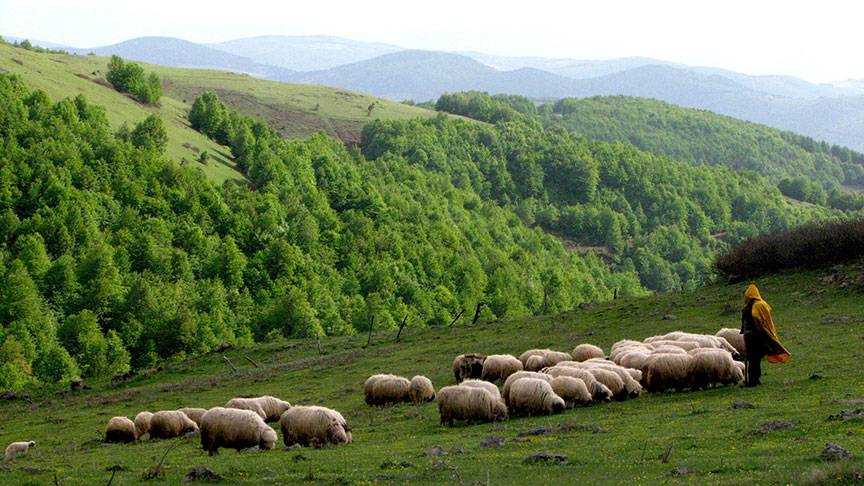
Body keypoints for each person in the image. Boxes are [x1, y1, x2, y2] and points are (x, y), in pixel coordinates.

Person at [740, 284, 791, 386]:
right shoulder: (757, 306)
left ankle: (754, 379)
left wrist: (746, 332)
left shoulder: (753, 307)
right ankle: (753, 380)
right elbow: (756, 320)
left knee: (754, 358)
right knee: (755, 358)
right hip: (755, 336)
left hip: (751, 336)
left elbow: (747, 322)